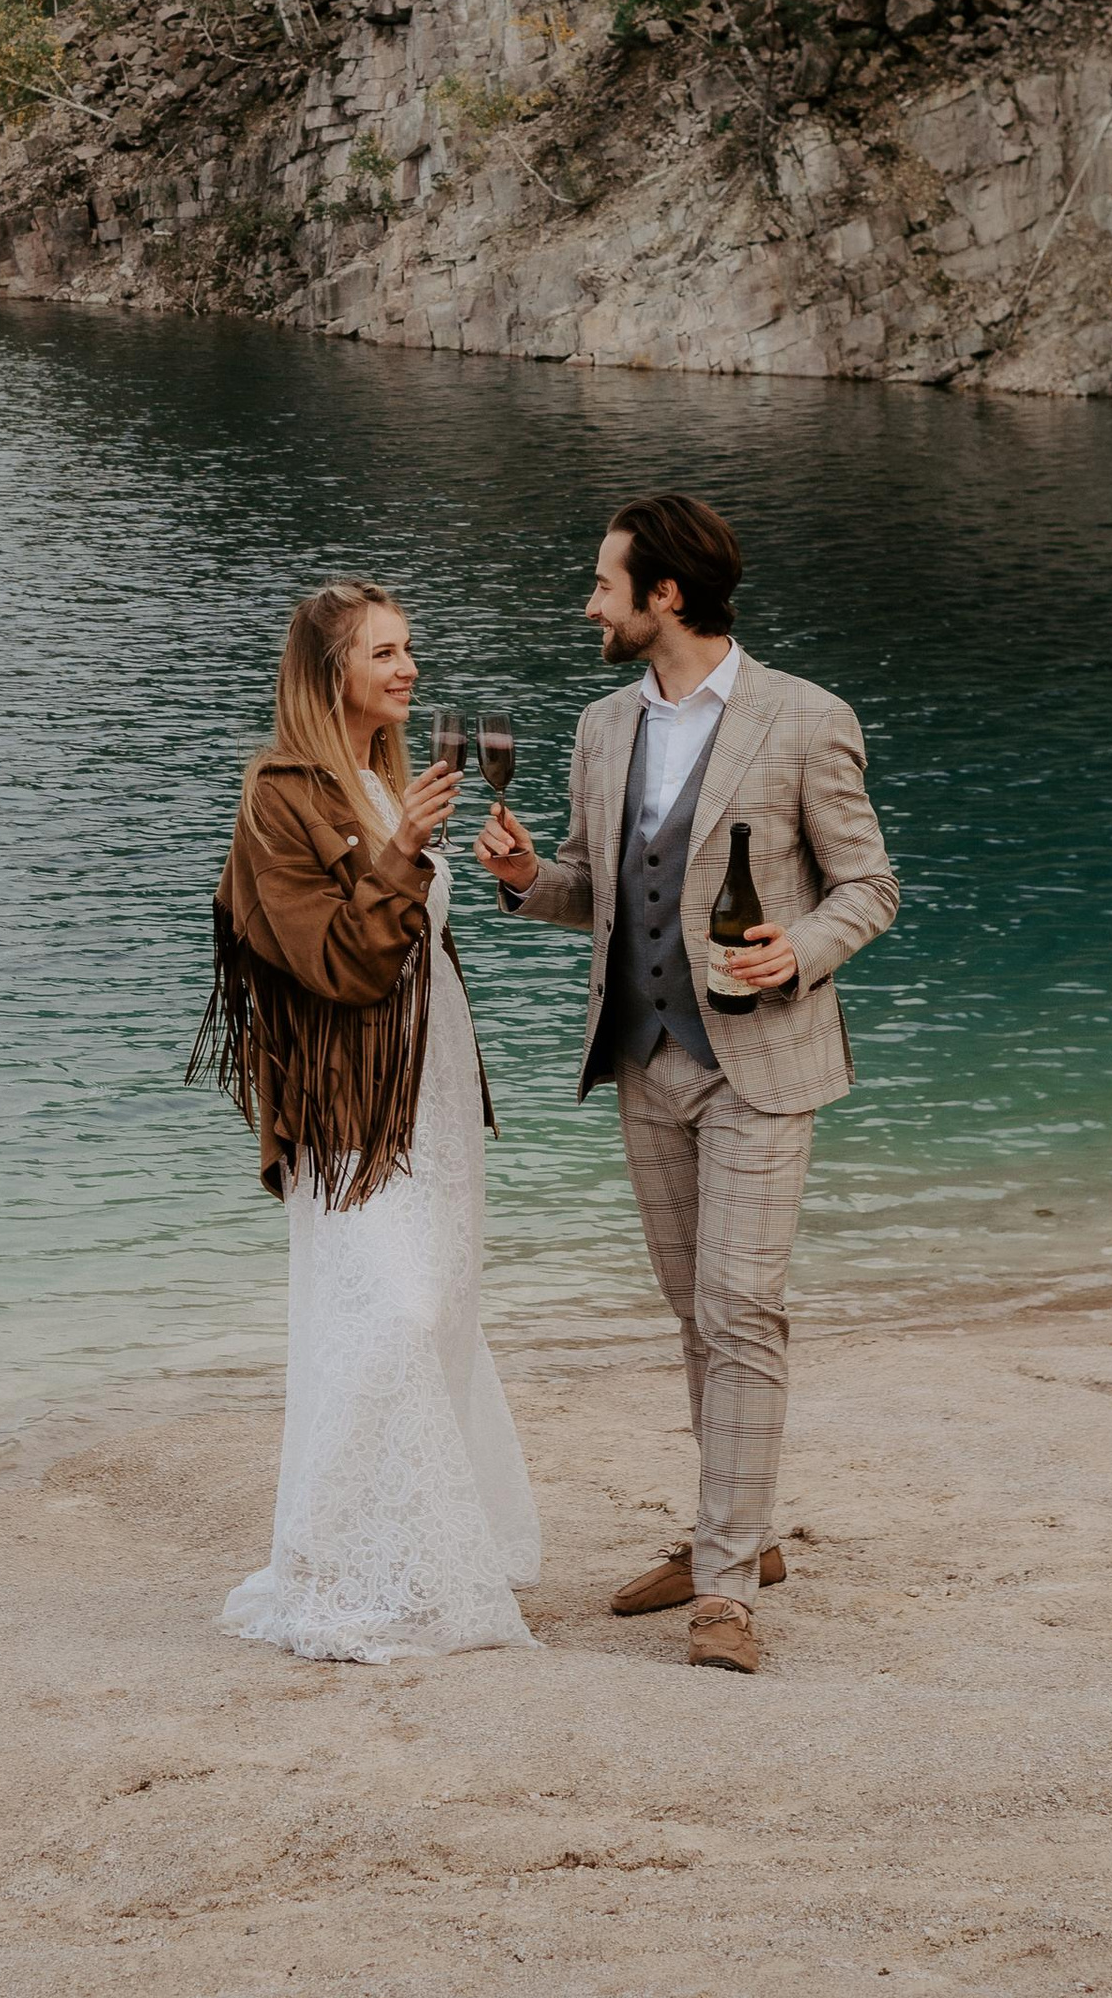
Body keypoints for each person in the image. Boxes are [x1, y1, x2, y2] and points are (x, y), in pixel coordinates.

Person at [475, 493, 895, 1675]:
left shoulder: (805, 719)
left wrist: (796, 950)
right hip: (644, 1061)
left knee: (739, 1309)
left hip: (762, 1065)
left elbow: (868, 887)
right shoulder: (602, 726)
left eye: (603, 584)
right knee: (693, 1312)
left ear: (664, 595)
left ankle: (724, 1591)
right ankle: (738, 1534)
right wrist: (526, 878)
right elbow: (595, 892)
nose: (588, 605)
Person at [193, 579, 541, 1661]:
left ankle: (417, 1558)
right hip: (350, 1100)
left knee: (438, 1311)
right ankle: (336, 1571)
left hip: (432, 1089)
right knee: (389, 1315)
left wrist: (497, 869)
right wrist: (402, 855)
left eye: (409, 648)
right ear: (327, 671)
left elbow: (418, 947)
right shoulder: (279, 798)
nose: (409, 669)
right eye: (384, 652)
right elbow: (339, 965)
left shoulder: (392, 783)